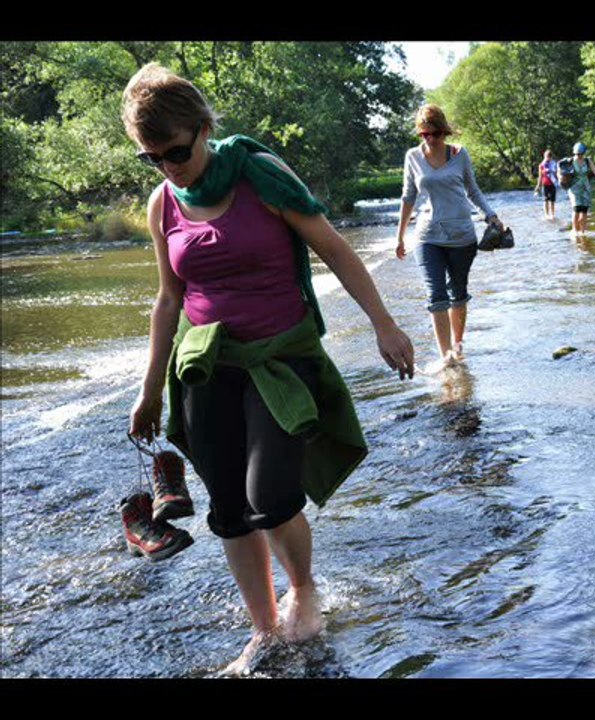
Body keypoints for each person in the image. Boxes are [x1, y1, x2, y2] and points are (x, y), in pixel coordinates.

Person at [122, 63, 415, 675]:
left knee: (271, 495)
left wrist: (385, 324)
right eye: (152, 158)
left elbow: (333, 248)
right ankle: (262, 630)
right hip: (206, 368)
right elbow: (168, 299)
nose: (168, 167)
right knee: (228, 507)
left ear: (204, 128)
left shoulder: (262, 174)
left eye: (175, 151)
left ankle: (304, 588)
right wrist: (150, 390)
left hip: (282, 358)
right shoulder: (163, 203)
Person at [395, 104, 504, 367]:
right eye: (424, 135)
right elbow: (408, 197)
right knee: (436, 295)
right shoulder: (413, 157)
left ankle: (458, 345)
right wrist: (399, 236)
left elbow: (473, 191)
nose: (430, 139)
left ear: (444, 132)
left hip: (461, 236)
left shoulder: (459, 154)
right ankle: (446, 357)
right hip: (427, 236)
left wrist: (491, 215)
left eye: (435, 134)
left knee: (458, 293)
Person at [567, 142, 595, 235]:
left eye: (580, 154)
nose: (578, 156)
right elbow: (562, 173)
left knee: (584, 211)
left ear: (583, 153)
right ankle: (575, 231)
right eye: (577, 154)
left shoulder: (587, 161)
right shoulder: (570, 161)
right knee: (576, 209)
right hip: (574, 189)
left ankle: (582, 232)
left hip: (585, 188)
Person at [533, 149, 559, 220]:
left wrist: (560, 182)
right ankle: (546, 214)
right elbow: (540, 176)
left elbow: (557, 174)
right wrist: (538, 186)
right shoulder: (541, 165)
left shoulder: (554, 164)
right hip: (545, 184)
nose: (546, 158)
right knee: (545, 200)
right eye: (545, 156)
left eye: (548, 157)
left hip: (553, 184)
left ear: (550, 157)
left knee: (552, 200)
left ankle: (553, 214)